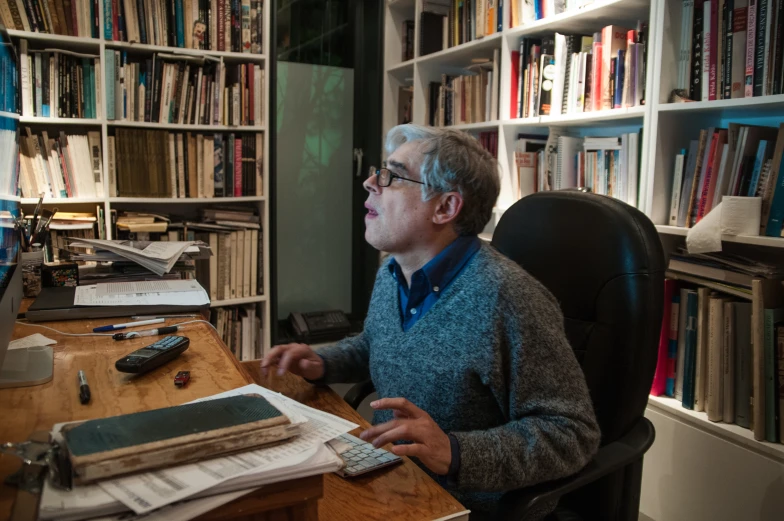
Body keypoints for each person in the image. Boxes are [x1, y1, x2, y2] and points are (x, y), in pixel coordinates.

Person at [261, 123, 601, 519]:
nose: (371, 182)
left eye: (391, 175)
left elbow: (572, 434)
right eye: (378, 171)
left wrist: (455, 451)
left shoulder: (510, 298)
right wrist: (324, 362)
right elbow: (377, 344)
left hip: (457, 504)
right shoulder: (392, 271)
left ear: (445, 207)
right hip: (384, 474)